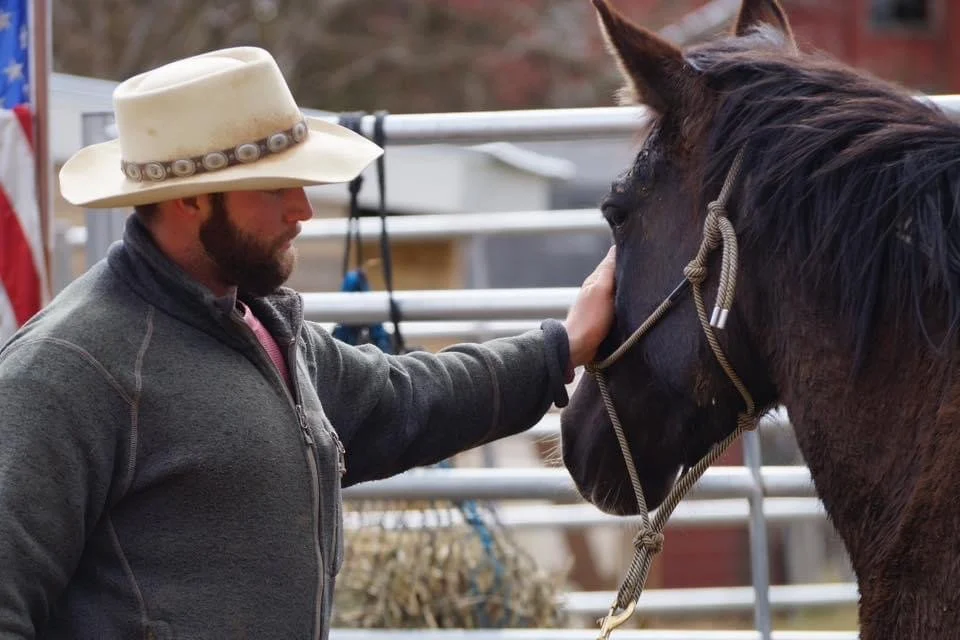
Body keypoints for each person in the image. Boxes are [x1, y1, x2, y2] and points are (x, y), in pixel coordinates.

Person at [0, 47, 615, 639]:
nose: (303, 208)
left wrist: (561, 347)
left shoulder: (260, 328)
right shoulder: (66, 372)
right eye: (273, 188)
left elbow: (402, 401)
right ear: (188, 196)